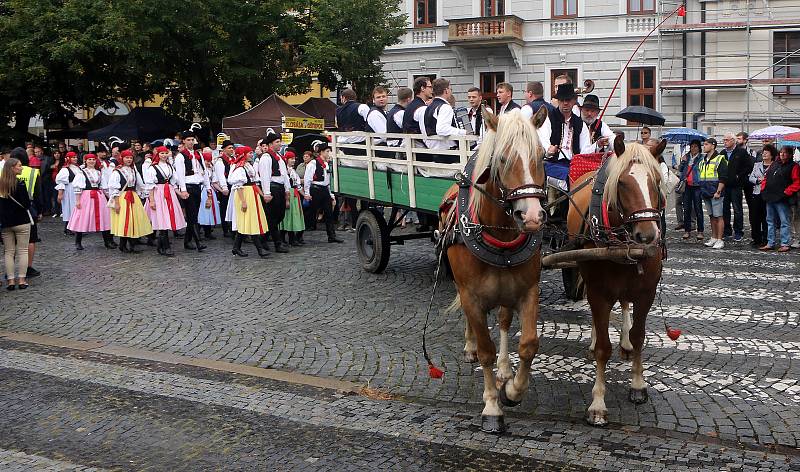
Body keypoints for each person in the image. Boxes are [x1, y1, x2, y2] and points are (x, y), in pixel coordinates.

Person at [545, 83, 593, 211]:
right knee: (569, 177)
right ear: (558, 101)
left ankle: (580, 212)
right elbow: (542, 139)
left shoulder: (579, 123)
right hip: (551, 164)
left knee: (588, 179)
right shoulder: (549, 118)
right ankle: (561, 214)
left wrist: (596, 147)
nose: (565, 103)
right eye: (562, 100)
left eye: (568, 100)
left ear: (574, 101)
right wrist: (548, 150)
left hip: (572, 165)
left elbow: (585, 150)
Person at [227, 146, 270, 258]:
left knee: (247, 221)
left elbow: (254, 184)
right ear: (243, 154)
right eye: (249, 153)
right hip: (245, 195)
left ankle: (236, 247)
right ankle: (260, 249)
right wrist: (243, 201)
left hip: (251, 194)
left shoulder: (248, 166)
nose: (251, 154)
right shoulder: (240, 168)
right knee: (250, 221)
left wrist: (263, 195)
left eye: (252, 153)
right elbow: (238, 186)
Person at [144, 146, 187, 257]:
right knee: (162, 220)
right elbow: (150, 186)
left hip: (169, 193)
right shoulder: (152, 168)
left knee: (167, 218)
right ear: (157, 154)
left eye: (165, 153)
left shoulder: (169, 166)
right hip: (159, 194)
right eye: (161, 153)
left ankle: (161, 246)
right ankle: (166, 247)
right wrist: (152, 200)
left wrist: (180, 193)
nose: (164, 155)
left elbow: (173, 183)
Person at [108, 150, 153, 253]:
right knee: (125, 221)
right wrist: (117, 203)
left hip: (133, 197)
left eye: (130, 158)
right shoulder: (117, 172)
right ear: (122, 158)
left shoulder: (133, 170)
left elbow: (140, 184)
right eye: (126, 158)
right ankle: (123, 245)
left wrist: (145, 194)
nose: (129, 159)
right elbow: (114, 188)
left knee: (134, 220)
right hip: (123, 197)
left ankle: (132, 244)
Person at [68, 154, 113, 250]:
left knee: (104, 217)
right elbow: (78, 187)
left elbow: (104, 186)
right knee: (82, 217)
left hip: (99, 195)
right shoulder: (81, 173)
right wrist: (78, 201)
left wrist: (110, 197)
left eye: (93, 159)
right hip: (86, 196)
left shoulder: (99, 172)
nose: (92, 161)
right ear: (86, 161)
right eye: (89, 160)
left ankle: (107, 241)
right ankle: (78, 241)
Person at [257, 129, 292, 253]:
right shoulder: (266, 157)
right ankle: (277, 243)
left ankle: (262, 239)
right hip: (272, 188)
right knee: (272, 217)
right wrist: (267, 193)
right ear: (270, 144)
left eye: (280, 141)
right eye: (277, 142)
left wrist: (287, 190)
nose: (280, 144)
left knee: (280, 215)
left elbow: (285, 175)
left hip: (280, 188)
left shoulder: (279, 158)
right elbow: (264, 176)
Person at [760, 146, 800, 252]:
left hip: (782, 198)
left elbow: (797, 182)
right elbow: (766, 177)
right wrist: (764, 188)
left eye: (785, 153)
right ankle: (770, 242)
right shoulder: (775, 164)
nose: (782, 154)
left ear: (790, 155)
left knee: (784, 221)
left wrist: (787, 192)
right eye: (781, 152)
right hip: (770, 196)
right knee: (770, 221)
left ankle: (785, 243)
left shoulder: (794, 166)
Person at [0, 158, 32, 290]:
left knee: (8, 252)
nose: (22, 168)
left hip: (6, 222)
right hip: (21, 221)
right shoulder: (20, 184)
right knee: (23, 251)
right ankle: (22, 280)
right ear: (12, 168)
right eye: (19, 166)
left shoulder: (1, 185)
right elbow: (26, 204)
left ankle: (11, 281)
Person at [174, 130, 208, 251]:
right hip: (188, 187)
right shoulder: (180, 156)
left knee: (194, 214)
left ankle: (187, 241)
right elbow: (180, 175)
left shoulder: (198, 155)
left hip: (197, 186)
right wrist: (183, 190)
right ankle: (198, 242)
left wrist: (208, 188)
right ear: (183, 141)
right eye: (188, 140)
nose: (190, 142)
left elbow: (204, 172)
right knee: (192, 216)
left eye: (192, 139)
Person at [12, 147, 43, 278]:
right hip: (29, 208)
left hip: (9, 208)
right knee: (31, 239)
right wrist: (40, 210)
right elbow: (37, 194)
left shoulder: (5, 171)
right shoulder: (33, 172)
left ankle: (10, 268)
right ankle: (28, 268)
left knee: (11, 241)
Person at [421, 78, 466, 169]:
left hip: (434, 151)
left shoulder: (429, 107)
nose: (450, 91)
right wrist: (462, 132)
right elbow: (442, 129)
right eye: (450, 89)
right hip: (447, 153)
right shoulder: (445, 107)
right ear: (446, 91)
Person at [304, 140, 343, 243]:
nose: (328, 153)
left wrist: (331, 194)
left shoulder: (327, 163)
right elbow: (308, 178)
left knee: (329, 213)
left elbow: (328, 181)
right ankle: (299, 234)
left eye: (329, 151)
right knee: (311, 212)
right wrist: (307, 193)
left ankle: (331, 236)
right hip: (315, 189)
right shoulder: (313, 163)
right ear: (321, 152)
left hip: (324, 190)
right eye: (327, 151)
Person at [720, 132, 753, 241]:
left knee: (737, 209)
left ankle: (738, 231)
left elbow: (749, 166)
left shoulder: (741, 152)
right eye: (724, 140)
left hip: (736, 185)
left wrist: (739, 176)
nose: (725, 142)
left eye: (727, 140)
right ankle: (727, 231)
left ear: (733, 141)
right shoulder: (722, 153)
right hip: (724, 185)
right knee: (725, 209)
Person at [698, 138, 727, 249]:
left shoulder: (720, 159)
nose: (704, 146)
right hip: (706, 192)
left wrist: (718, 191)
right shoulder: (703, 160)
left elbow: (723, 178)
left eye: (706, 144)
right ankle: (714, 237)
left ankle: (720, 239)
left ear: (713, 146)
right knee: (711, 216)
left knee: (718, 216)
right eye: (704, 144)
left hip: (716, 192)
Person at [748, 144, 773, 248]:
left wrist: (766, 181)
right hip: (757, 193)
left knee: (766, 217)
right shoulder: (757, 165)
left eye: (767, 152)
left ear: (772, 154)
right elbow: (751, 177)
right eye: (763, 152)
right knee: (755, 217)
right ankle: (756, 238)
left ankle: (766, 238)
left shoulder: (774, 165)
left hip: (768, 194)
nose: (764, 154)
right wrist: (758, 180)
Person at [279, 151, 306, 246]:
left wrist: (305, 195)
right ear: (286, 159)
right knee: (288, 217)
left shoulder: (292, 171)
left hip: (294, 195)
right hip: (288, 193)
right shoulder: (285, 171)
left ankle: (292, 238)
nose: (293, 161)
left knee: (293, 216)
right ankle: (286, 238)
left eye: (294, 159)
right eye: (291, 159)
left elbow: (298, 186)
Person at [677, 140, 702, 236]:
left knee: (697, 209)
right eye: (692, 146)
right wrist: (683, 162)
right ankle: (687, 230)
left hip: (697, 185)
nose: (693, 148)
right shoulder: (686, 157)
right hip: (687, 185)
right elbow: (680, 169)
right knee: (686, 208)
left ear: (699, 148)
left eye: (696, 146)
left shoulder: (701, 158)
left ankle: (700, 231)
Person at [335, 88, 370, 155]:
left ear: (344, 98)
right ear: (355, 97)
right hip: (360, 143)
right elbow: (370, 122)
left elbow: (337, 125)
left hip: (343, 144)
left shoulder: (337, 111)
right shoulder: (362, 107)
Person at [55, 151, 81, 235]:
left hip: (78, 191)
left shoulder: (78, 168)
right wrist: (60, 193)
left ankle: (77, 227)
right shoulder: (65, 169)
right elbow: (60, 182)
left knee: (77, 208)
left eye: (76, 157)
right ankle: (68, 228)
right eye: (73, 157)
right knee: (69, 209)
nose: (75, 159)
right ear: (68, 158)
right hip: (69, 190)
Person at [214, 140, 235, 237]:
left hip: (232, 184)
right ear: (224, 149)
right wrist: (224, 188)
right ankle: (226, 228)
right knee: (225, 207)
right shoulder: (220, 161)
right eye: (229, 148)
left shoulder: (233, 159)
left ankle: (232, 227)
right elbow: (221, 175)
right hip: (225, 185)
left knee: (232, 207)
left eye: (232, 148)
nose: (231, 149)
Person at [365, 86, 391, 151]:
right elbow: (384, 135)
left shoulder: (384, 112)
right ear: (373, 100)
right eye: (378, 97)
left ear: (387, 98)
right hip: (379, 151)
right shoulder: (374, 114)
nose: (381, 99)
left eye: (383, 96)